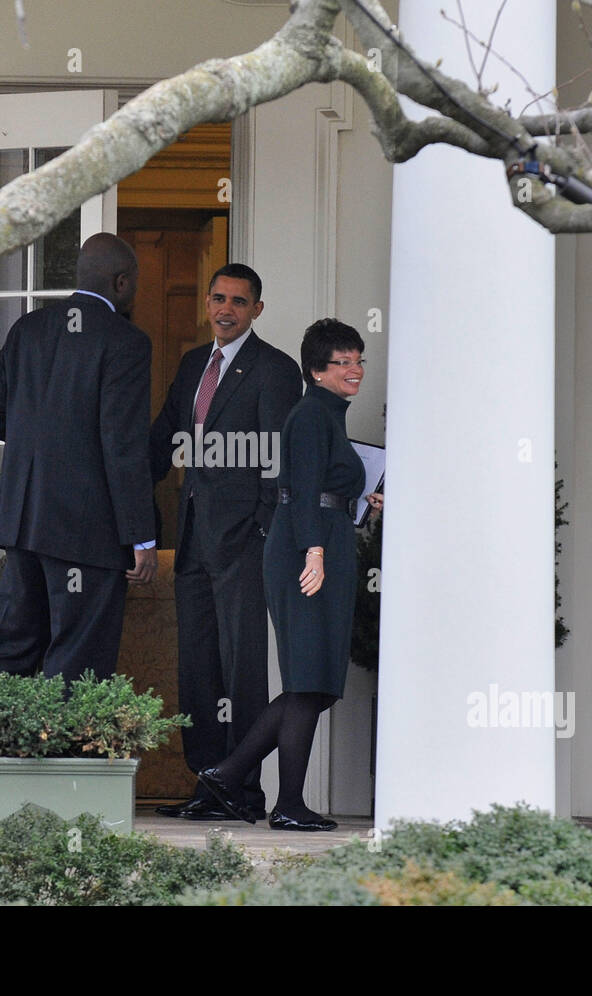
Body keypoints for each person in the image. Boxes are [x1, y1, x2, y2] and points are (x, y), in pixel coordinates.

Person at [198, 318, 382, 831]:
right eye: (342, 362)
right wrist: (315, 552)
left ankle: (232, 774)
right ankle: (284, 802)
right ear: (316, 370)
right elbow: (300, 490)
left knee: (319, 683)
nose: (355, 370)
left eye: (358, 359)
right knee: (307, 679)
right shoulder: (308, 416)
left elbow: (324, 492)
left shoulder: (328, 416)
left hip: (323, 544)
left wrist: (363, 505)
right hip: (307, 553)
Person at [150, 264, 302, 821]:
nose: (226, 309)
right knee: (198, 670)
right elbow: (165, 438)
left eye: (239, 302)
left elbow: (278, 460)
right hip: (192, 543)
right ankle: (206, 784)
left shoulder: (276, 370)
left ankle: (243, 790)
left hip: (243, 546)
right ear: (207, 302)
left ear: (257, 310)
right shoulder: (194, 363)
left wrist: (262, 531)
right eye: (219, 298)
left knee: (241, 672)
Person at [0, 233, 157, 683]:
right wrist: (140, 537)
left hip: (23, 524)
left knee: (11, 653)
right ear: (121, 282)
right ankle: (64, 753)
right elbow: (122, 445)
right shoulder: (126, 342)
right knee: (77, 664)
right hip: (88, 533)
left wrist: (40, 451)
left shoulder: (27, 329)